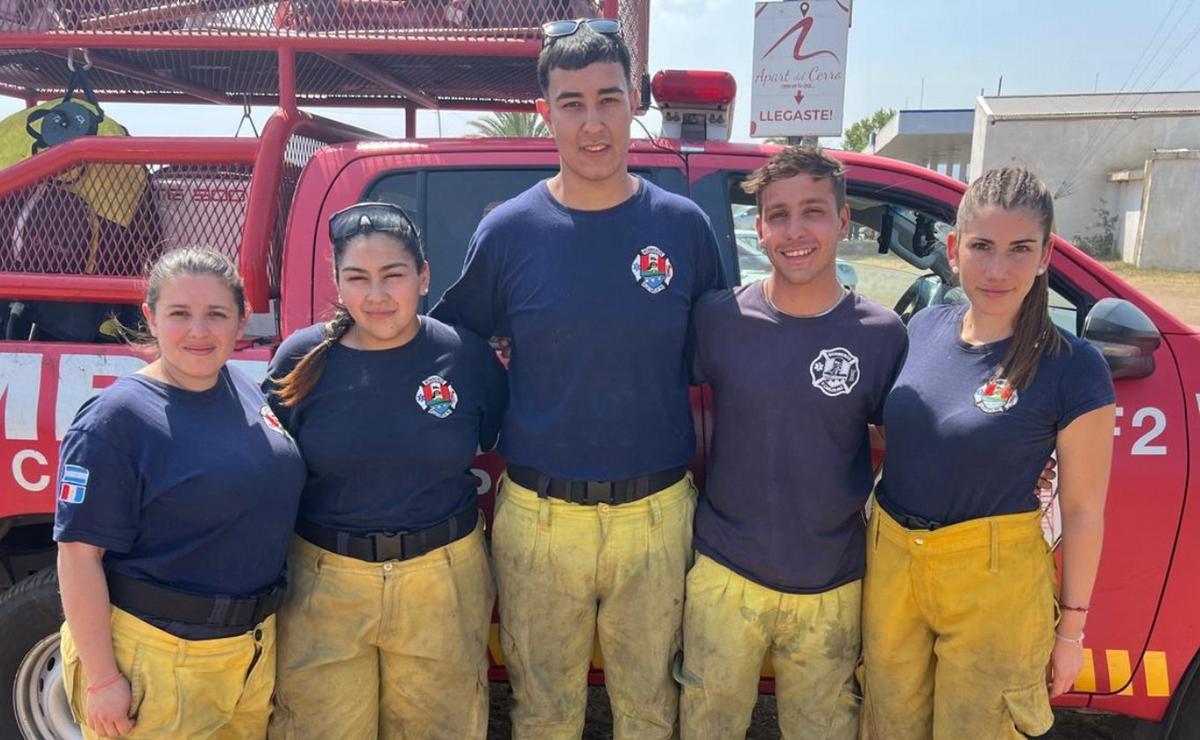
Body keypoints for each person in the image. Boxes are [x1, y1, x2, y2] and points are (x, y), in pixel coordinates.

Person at [431, 19, 726, 739]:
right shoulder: (508, 232)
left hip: (656, 516)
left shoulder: (684, 228)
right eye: (571, 103)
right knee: (542, 713)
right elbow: (454, 344)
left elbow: (719, 352)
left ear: (634, 105)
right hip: (539, 518)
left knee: (651, 711)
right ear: (545, 112)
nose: (592, 123)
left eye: (608, 99)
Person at [861, 167, 1117, 739]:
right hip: (893, 565)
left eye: (1020, 249)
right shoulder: (924, 327)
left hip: (993, 585)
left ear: (1047, 254)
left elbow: (1082, 511)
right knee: (886, 724)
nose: (998, 270)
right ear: (954, 250)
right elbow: (907, 434)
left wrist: (1070, 632)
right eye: (981, 246)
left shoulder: (1073, 367)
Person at [678, 147, 907, 739]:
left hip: (831, 587)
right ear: (757, 228)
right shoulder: (718, 319)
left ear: (843, 220)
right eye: (777, 215)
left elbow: (911, 438)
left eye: (812, 211)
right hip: (725, 577)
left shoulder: (883, 336)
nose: (795, 230)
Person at [265, 202, 506, 740]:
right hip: (324, 582)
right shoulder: (300, 360)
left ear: (423, 277)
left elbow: (492, 435)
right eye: (358, 278)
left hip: (441, 580)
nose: (376, 295)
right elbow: (268, 474)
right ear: (338, 281)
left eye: (393, 275)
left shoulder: (465, 358)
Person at [55, 248, 305, 739]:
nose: (199, 331)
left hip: (248, 652)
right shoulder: (117, 420)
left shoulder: (243, 386)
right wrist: (103, 678)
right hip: (158, 658)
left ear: (241, 320)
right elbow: (78, 556)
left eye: (216, 314)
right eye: (179, 314)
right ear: (150, 316)